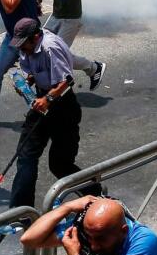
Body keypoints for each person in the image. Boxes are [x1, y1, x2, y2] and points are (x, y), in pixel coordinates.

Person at [7, 17, 102, 208]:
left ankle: (96, 194)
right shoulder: (27, 47)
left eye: (24, 44)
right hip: (41, 103)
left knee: (59, 164)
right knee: (26, 157)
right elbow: (34, 70)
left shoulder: (51, 48)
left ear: (35, 37)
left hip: (62, 107)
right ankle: (20, 213)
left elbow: (66, 81)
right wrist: (27, 83)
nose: (22, 49)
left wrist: (47, 99)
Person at [29, 0, 105, 88]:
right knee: (41, 46)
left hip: (70, 19)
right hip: (57, 15)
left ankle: (94, 68)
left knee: (58, 54)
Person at [21, 196, 157, 255]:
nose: (94, 246)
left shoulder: (144, 243)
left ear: (123, 231)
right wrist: (67, 207)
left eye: (101, 239)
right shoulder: (89, 230)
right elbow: (29, 239)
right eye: (89, 238)